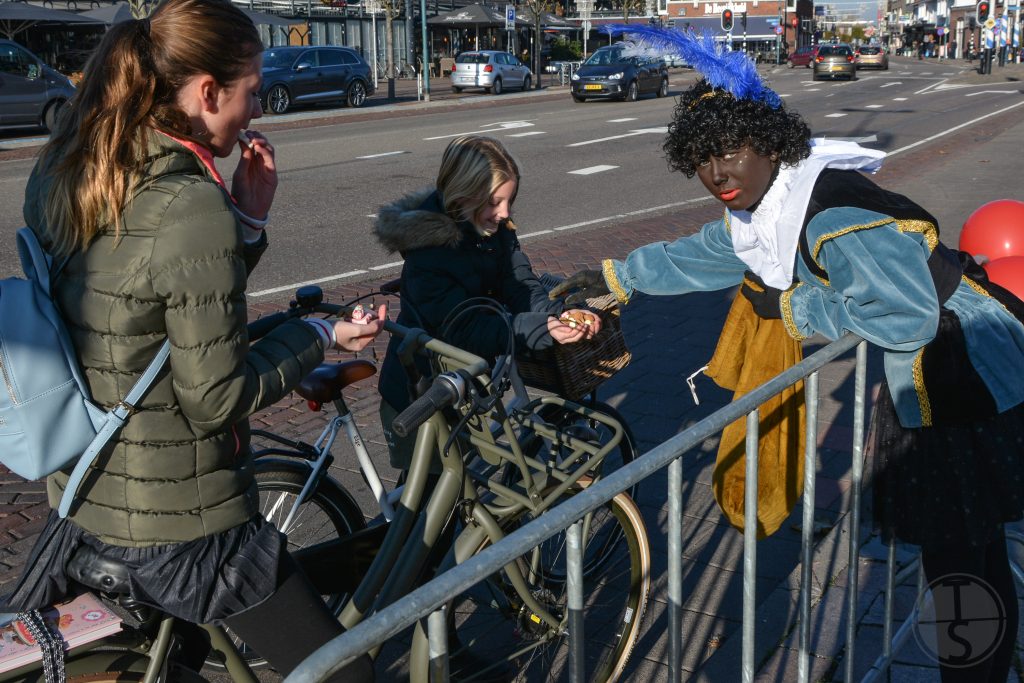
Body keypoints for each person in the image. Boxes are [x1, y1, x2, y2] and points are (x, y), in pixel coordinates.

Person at [555, 26, 1024, 683]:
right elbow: (706, 252)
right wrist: (616, 277)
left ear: (771, 144)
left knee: (961, 558)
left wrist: (802, 310)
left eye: (730, 151)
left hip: (957, 368)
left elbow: (909, 315)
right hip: (942, 367)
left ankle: (973, 673)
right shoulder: (773, 203)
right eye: (701, 158)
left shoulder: (829, 214)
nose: (717, 172)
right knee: (967, 551)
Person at [0, 0, 384, 679]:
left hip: (84, 498)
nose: (256, 111)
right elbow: (215, 394)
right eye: (251, 92)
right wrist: (319, 333)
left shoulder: (75, 168)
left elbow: (153, 307)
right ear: (206, 92)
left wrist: (247, 217)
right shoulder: (186, 202)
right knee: (346, 672)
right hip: (181, 528)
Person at [373, 135, 600, 471]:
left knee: (460, 486)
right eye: (495, 202)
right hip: (420, 392)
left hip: (463, 382)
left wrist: (560, 315)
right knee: (431, 502)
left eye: (509, 201)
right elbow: (466, 328)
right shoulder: (429, 252)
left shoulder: (492, 228)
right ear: (464, 195)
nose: (505, 213)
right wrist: (543, 329)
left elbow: (520, 283)